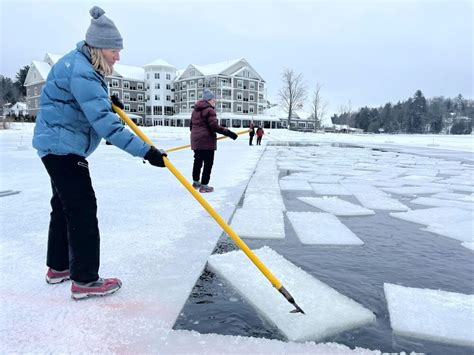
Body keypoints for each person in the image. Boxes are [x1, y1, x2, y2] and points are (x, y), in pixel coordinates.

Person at [32, 6, 168, 300]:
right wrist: (147, 151)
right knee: (81, 209)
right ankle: (85, 279)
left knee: (63, 206)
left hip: (54, 145)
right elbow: (107, 126)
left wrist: (106, 97)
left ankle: (58, 268)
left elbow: (87, 103)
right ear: (99, 47)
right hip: (63, 148)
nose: (118, 56)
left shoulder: (79, 66)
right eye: (114, 51)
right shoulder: (83, 72)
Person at [190, 88, 238, 193]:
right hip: (206, 142)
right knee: (208, 163)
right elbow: (214, 127)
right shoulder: (209, 110)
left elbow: (191, 126)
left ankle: (196, 182)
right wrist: (229, 133)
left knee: (197, 161)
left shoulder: (194, 111)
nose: (214, 101)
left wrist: (196, 136)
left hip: (196, 141)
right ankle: (204, 186)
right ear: (209, 100)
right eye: (213, 100)